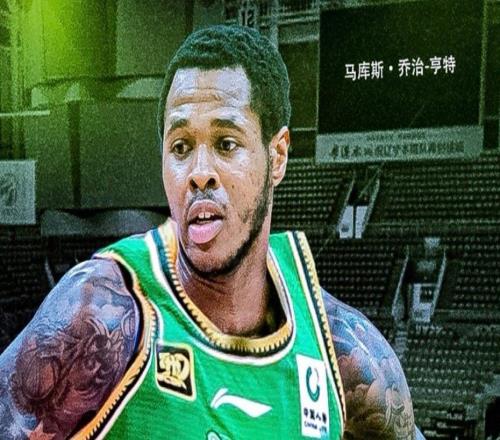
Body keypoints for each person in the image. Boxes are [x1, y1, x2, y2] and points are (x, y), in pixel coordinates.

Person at [0, 25, 424, 439]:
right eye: (181, 147)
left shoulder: (344, 353)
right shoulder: (99, 317)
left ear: (277, 156)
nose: (199, 172)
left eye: (226, 144)